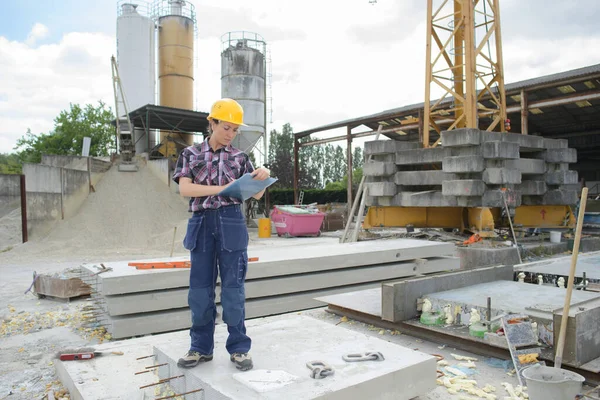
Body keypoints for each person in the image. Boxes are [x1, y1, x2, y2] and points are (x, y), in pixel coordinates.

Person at [172, 98, 270, 371]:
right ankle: (200, 348)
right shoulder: (190, 154)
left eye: (235, 130)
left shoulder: (240, 158)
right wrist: (222, 188)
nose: (231, 134)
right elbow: (185, 189)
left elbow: (254, 193)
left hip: (231, 223)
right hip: (202, 223)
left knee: (233, 290)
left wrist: (262, 177)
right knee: (200, 291)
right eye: (226, 127)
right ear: (212, 123)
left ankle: (239, 348)